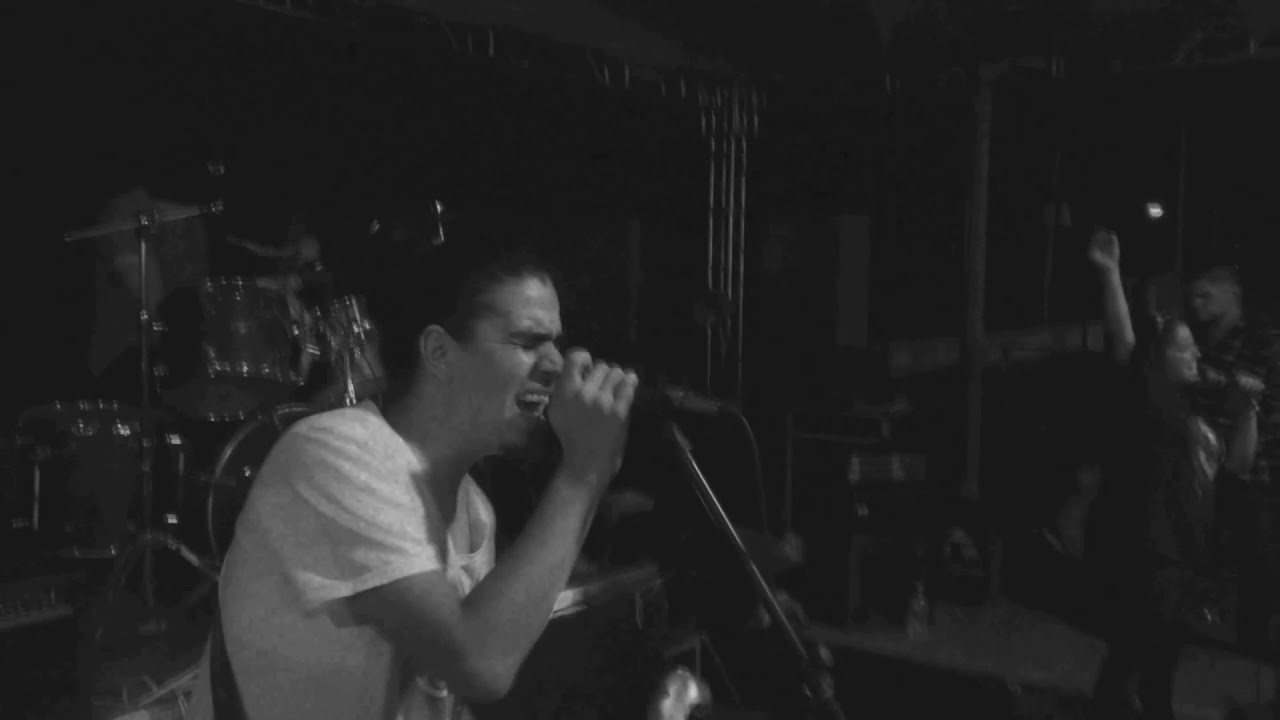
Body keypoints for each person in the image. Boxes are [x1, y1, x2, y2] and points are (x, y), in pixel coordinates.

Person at [186, 237, 640, 720]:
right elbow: (481, 665)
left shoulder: (473, 510)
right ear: (439, 352)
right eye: (528, 343)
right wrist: (582, 475)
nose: (557, 365)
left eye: (555, 344)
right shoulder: (338, 453)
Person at [1085, 228, 1261, 719]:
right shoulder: (1152, 398)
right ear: (1160, 358)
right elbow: (1125, 342)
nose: (1196, 355)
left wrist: (1247, 410)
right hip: (1152, 558)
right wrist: (1110, 274)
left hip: (1187, 562)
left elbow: (1238, 465)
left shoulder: (1194, 421)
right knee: (1129, 671)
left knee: (1158, 680)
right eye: (1184, 349)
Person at [1186, 263, 1280, 653]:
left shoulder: (1261, 339)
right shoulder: (1198, 341)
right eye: (1193, 297)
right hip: (1206, 464)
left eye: (1205, 295)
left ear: (1232, 296)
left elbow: (1263, 396)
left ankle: (1253, 639)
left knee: (1257, 555)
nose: (1196, 304)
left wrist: (1220, 385)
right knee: (1209, 549)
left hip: (1253, 466)